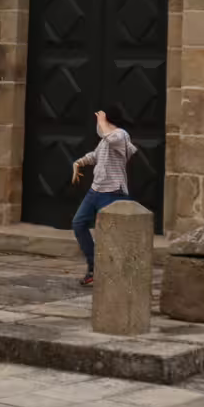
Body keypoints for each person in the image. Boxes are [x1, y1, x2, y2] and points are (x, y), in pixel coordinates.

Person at [69, 108, 134, 286]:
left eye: (100, 122)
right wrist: (79, 163)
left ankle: (118, 274)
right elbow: (96, 156)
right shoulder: (105, 140)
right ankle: (94, 266)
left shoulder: (121, 135)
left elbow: (112, 138)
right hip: (95, 191)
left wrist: (102, 122)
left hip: (113, 192)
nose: (98, 126)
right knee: (79, 223)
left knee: (111, 235)